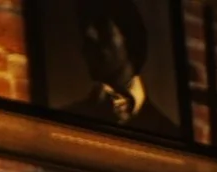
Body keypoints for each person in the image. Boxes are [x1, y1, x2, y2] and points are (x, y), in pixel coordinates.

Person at [59, 0, 179, 133]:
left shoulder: (169, 131)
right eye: (84, 27)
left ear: (129, 36)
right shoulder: (64, 125)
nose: (89, 35)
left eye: (101, 25)